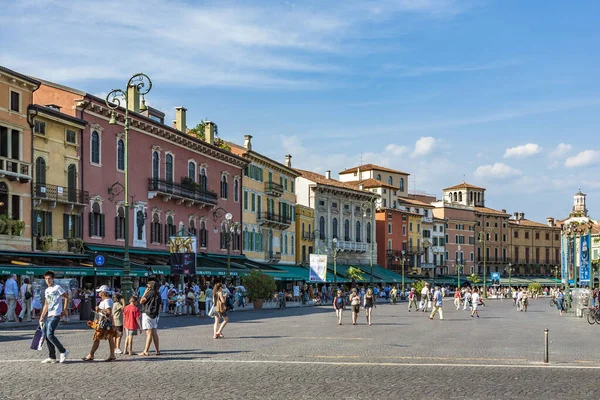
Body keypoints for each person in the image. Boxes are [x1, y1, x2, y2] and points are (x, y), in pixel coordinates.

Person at [39, 271, 69, 363]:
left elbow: (67, 297)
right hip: (49, 314)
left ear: (53, 279)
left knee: (50, 334)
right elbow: (46, 304)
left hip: (56, 313)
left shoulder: (57, 287)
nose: (47, 280)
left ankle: (63, 351)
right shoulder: (47, 290)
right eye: (46, 279)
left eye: (49, 279)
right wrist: (41, 316)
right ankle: (52, 357)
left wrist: (64, 310)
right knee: (47, 336)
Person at [82, 285, 117, 362]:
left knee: (97, 338)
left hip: (103, 323)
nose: (98, 293)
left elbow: (108, 313)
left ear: (103, 293)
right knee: (110, 338)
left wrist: (99, 310)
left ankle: (91, 354)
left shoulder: (107, 301)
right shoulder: (107, 300)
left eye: (100, 292)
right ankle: (112, 355)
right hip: (106, 322)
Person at [139, 280, 161, 356]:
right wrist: (157, 314)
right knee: (154, 332)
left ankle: (146, 351)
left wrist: (145, 293)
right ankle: (157, 350)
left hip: (147, 313)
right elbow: (160, 306)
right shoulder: (158, 294)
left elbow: (141, 301)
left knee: (149, 332)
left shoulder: (149, 293)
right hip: (155, 315)